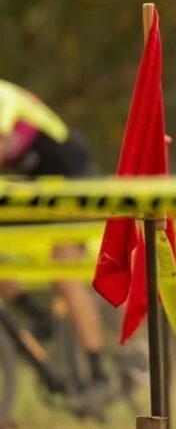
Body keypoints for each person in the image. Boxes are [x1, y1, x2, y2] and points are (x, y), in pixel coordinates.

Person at [0, 79, 112, 397]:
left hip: (75, 181)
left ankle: (98, 372)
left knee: (64, 271)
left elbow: (2, 140)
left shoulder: (2, 95)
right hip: (42, 190)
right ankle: (37, 315)